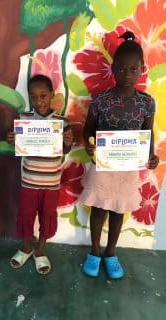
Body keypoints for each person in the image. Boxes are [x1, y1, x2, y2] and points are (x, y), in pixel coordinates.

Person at [80, 31, 159, 279]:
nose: (127, 75)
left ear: (141, 69)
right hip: (103, 167)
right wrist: (90, 147)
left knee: (117, 211)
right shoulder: (101, 101)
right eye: (122, 69)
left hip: (127, 170)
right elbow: (88, 130)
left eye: (133, 69)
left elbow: (147, 132)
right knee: (99, 209)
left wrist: (151, 155)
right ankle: (94, 251)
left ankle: (111, 253)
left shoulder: (147, 103)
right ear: (113, 69)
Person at [6, 74, 73, 275]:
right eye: (34, 97)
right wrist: (13, 140)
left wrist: (67, 141)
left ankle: (41, 249)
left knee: (47, 216)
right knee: (26, 215)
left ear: (52, 94)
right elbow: (19, 145)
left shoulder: (61, 122)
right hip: (28, 182)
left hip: (51, 183)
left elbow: (65, 150)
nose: (39, 101)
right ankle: (26, 247)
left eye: (43, 96)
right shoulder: (24, 119)